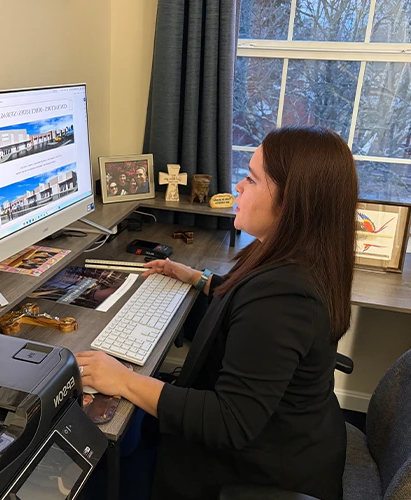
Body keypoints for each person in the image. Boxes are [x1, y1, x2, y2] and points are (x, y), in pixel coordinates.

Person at [77, 126, 358, 500]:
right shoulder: (299, 259)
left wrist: (124, 380)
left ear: (291, 201)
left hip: (257, 471)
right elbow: (250, 303)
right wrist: (199, 279)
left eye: (251, 179)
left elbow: (229, 421)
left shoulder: (285, 296)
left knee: (112, 439)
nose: (238, 187)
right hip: (290, 435)